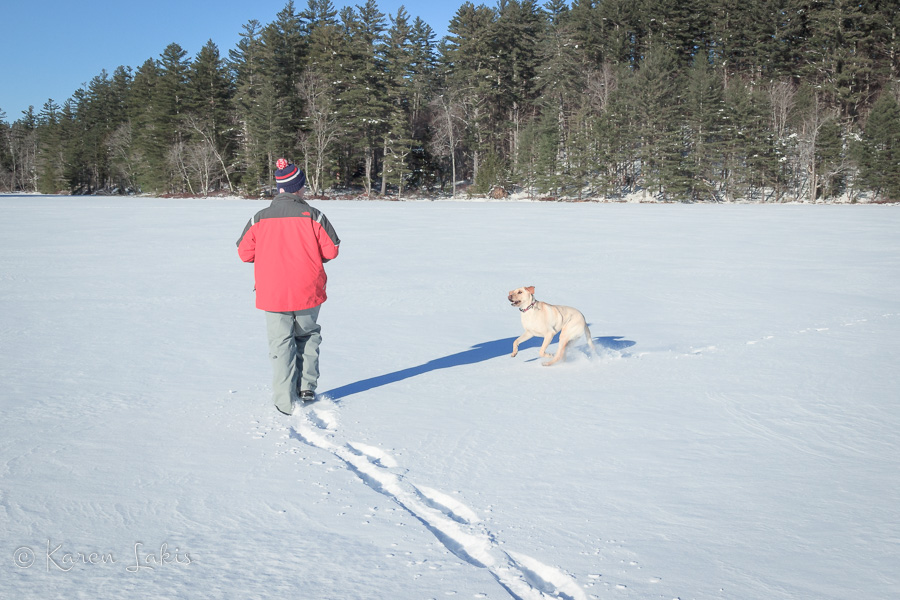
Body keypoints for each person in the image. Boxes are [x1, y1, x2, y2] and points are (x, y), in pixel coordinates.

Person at [236, 159, 341, 415]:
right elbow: (332, 250)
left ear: (280, 189)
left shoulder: (258, 218)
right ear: (298, 188)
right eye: (303, 186)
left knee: (281, 343)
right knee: (308, 336)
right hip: (307, 290)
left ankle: (284, 400)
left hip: (273, 293)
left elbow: (244, 253)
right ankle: (306, 388)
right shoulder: (314, 215)